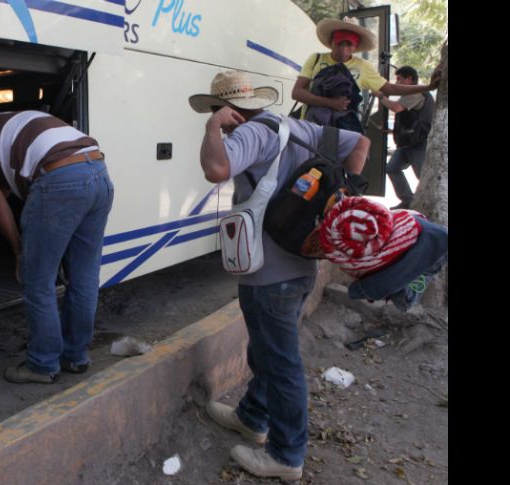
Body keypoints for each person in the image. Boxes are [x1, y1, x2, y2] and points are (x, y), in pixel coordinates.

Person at [189, 70, 370, 481]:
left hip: (268, 272)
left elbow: (216, 168)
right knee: (267, 352)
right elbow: (360, 142)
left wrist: (212, 127)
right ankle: (252, 418)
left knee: (280, 362)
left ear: (227, 108)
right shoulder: (293, 125)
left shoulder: (250, 133)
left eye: (217, 110)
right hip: (304, 265)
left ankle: (287, 455)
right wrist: (342, 200)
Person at [0, 110, 114, 384]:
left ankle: (42, 365)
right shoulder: (3, 121)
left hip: (59, 179)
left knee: (38, 280)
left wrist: (19, 251)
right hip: (97, 171)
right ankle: (75, 357)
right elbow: (7, 180)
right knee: (85, 277)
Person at [292, 17, 440, 133]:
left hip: (343, 128)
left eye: (349, 44)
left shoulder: (363, 67)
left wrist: (428, 87)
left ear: (355, 47)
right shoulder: (316, 59)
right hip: (311, 126)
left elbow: (390, 89)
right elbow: (297, 93)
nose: (344, 49)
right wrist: (330, 103)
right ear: (332, 42)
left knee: (361, 147)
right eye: (340, 43)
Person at [373, 66, 435, 209]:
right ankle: (408, 200)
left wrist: (381, 96)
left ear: (409, 79)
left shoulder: (416, 92)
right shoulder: (411, 94)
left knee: (423, 176)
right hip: (408, 142)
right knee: (392, 168)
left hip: (418, 142)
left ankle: (430, 204)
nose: (397, 81)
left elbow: (396, 108)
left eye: (400, 78)